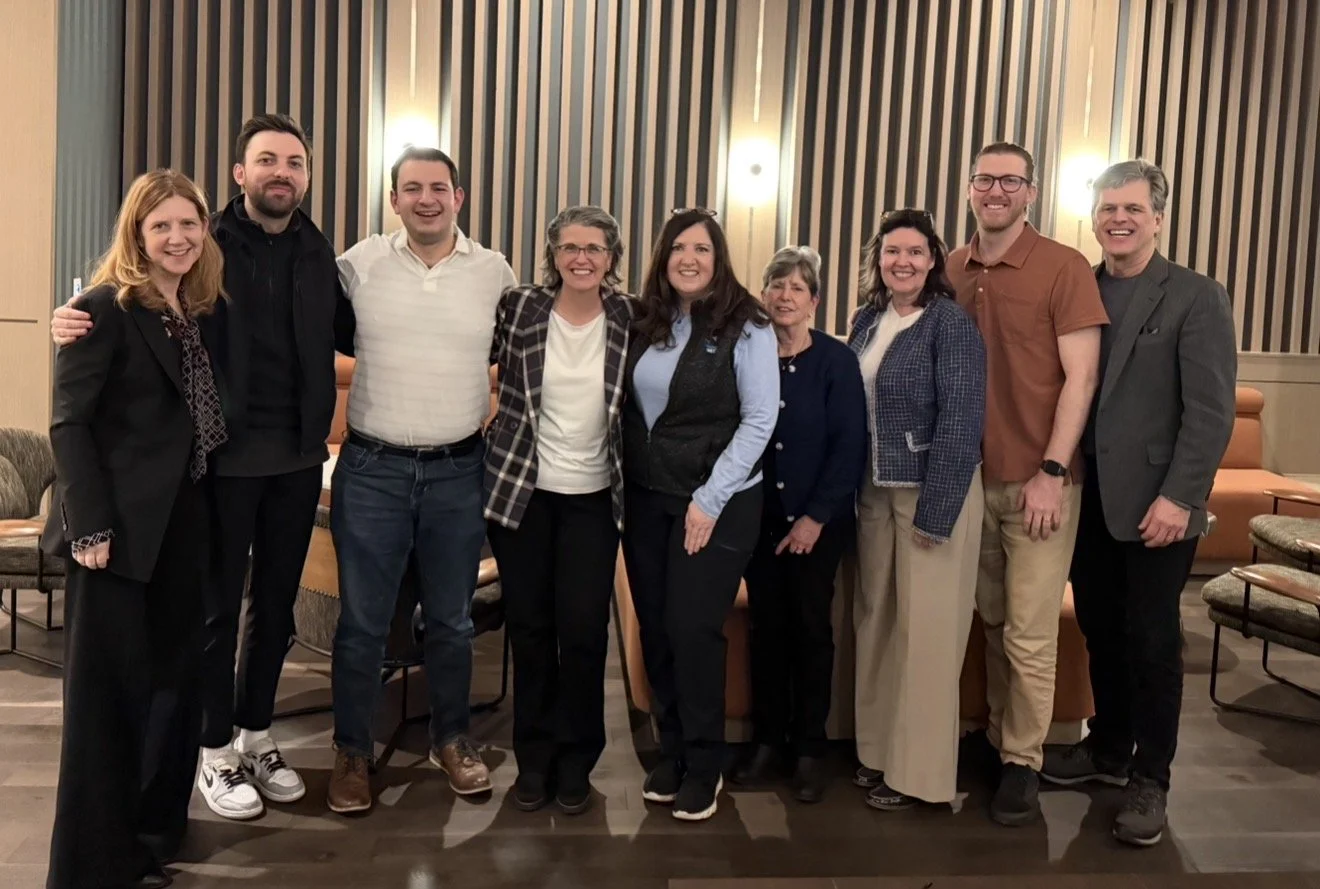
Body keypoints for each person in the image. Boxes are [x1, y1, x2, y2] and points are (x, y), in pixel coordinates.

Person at [50, 113, 350, 822]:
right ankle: (214, 748)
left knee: (274, 607)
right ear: (241, 173)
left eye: (295, 162)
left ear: (308, 176)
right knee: (214, 611)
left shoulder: (319, 252)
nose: (282, 172)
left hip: (298, 458)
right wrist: (70, 315)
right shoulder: (204, 244)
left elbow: (353, 335)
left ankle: (256, 733)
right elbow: (136, 300)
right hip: (219, 461)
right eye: (267, 160)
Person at [41, 169, 228, 889]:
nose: (178, 238)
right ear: (137, 234)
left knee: (170, 686)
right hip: (114, 537)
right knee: (106, 705)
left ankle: (148, 838)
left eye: (189, 223)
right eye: (161, 226)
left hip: (181, 526)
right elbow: (69, 424)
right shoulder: (102, 308)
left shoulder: (197, 309)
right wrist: (88, 526)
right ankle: (90, 867)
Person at [1041, 160, 1236, 846]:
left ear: (1157, 218)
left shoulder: (1195, 296)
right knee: (1100, 628)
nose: (1118, 219)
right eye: (1107, 209)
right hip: (1087, 497)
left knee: (1153, 641)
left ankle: (1151, 777)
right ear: (1093, 218)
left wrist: (1181, 496)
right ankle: (1108, 747)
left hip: (1160, 505)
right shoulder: (1081, 288)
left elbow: (1210, 412)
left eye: (1131, 209)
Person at [326, 146, 518, 814]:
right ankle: (352, 751)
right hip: (372, 470)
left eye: (439, 187)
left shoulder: (495, 272)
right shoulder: (357, 264)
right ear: (394, 200)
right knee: (362, 624)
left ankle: (452, 739)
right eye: (412, 188)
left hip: (459, 471)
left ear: (459, 197)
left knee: (452, 621)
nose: (427, 199)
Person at [946, 142, 1108, 826]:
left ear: (1031, 193)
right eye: (985, 179)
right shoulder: (952, 267)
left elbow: (1082, 377)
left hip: (1039, 483)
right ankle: (996, 737)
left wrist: (1052, 471)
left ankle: (1023, 761)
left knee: (1031, 633)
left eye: (1010, 181)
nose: (996, 191)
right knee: (991, 619)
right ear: (970, 189)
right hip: (970, 482)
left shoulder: (1063, 267)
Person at [620, 208, 779, 822]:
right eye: (678, 248)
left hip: (720, 501)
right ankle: (674, 749)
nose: (689, 259)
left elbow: (759, 421)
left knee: (692, 629)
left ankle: (706, 763)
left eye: (702, 249)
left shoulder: (748, 324)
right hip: (646, 497)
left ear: (719, 258)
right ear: (663, 258)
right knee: (657, 629)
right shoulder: (646, 321)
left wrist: (708, 502)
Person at [484, 206, 634, 815]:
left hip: (595, 499)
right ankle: (533, 759)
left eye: (594, 248)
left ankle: (577, 760)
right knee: (530, 630)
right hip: (523, 493)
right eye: (569, 247)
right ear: (553, 255)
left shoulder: (631, 317)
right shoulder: (520, 307)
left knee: (583, 633)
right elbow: (471, 359)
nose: (581, 258)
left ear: (610, 258)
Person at [848, 209, 988, 813]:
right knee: (876, 622)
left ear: (933, 260)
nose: (901, 262)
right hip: (872, 493)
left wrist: (937, 511)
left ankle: (919, 777)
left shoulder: (949, 324)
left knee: (927, 635)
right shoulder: (867, 319)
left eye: (914, 252)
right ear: (877, 260)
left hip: (932, 493)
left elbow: (961, 419)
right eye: (891, 252)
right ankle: (878, 750)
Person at [734, 246, 866, 804]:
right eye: (776, 285)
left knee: (811, 630)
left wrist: (815, 517)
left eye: (796, 288)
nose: (784, 296)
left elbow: (849, 445)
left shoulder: (836, 360)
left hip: (819, 524)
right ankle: (767, 740)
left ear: (814, 300)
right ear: (763, 294)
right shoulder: (748, 353)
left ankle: (810, 747)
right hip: (758, 521)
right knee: (766, 631)